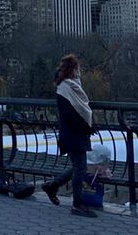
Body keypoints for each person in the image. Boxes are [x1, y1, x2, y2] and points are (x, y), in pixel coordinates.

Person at [41, 54, 97, 218]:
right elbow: (70, 113)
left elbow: (79, 107)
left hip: (76, 132)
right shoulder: (65, 88)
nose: (79, 71)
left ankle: (53, 186)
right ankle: (77, 204)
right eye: (77, 68)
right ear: (71, 69)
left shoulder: (72, 85)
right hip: (73, 133)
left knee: (79, 167)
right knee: (80, 168)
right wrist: (84, 126)